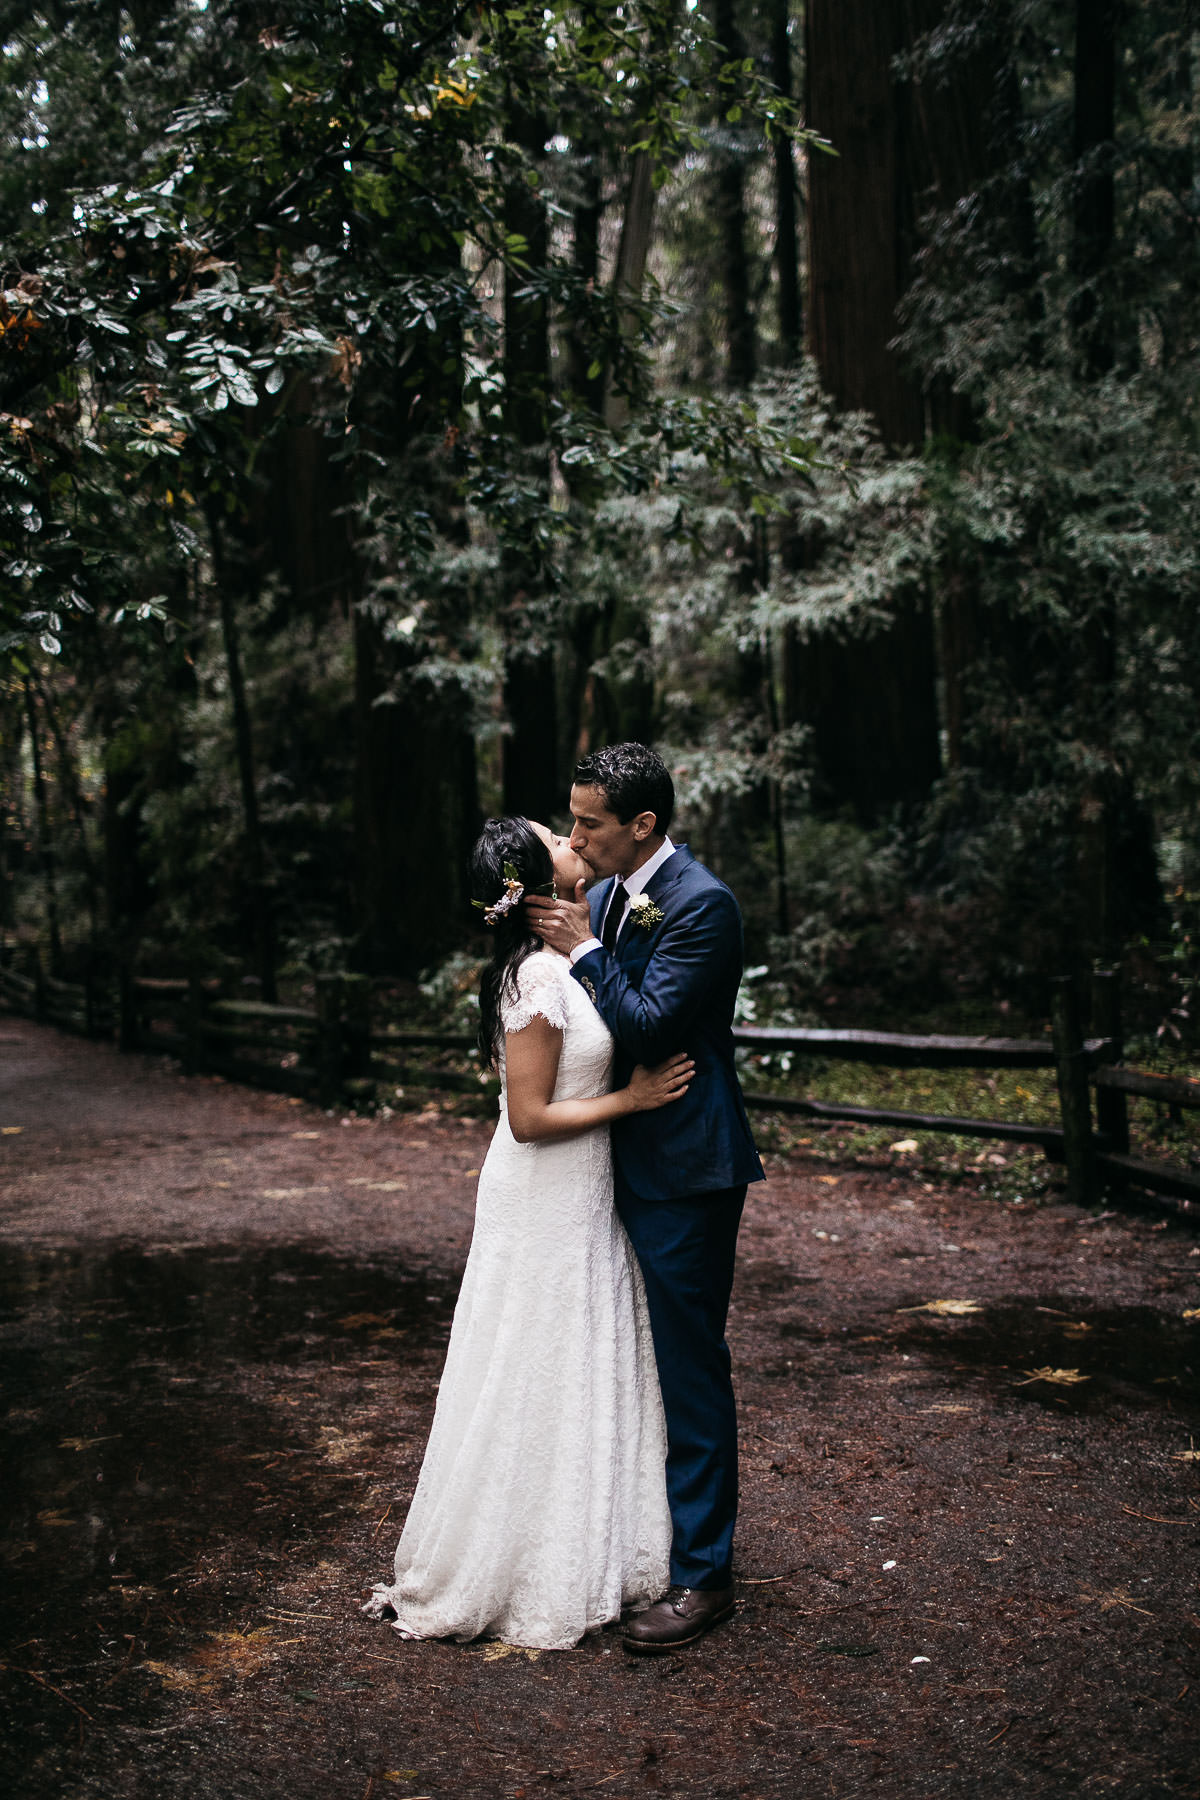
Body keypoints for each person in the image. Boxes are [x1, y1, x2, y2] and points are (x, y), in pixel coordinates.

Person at [362, 815, 694, 1650]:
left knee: (574, 1352)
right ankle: (512, 1556)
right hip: (542, 1185)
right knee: (532, 1355)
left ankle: (589, 1540)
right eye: (558, 839)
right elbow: (530, 1117)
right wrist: (633, 1100)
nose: (573, 840)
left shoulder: (573, 957)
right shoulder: (535, 982)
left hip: (582, 1190)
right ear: (535, 884)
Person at [525, 742, 764, 1653]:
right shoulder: (620, 892)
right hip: (621, 1158)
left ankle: (705, 1577)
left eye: (589, 821)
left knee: (691, 1365)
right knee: (636, 1356)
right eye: (574, 817)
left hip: (686, 1169)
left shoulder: (701, 904)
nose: (576, 834)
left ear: (643, 824)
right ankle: (650, 1536)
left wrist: (584, 949)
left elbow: (650, 1023)